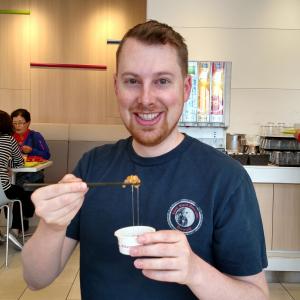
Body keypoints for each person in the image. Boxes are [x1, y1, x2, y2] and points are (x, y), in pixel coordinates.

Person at [22, 20, 269, 299]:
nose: (146, 98)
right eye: (132, 81)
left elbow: (255, 294)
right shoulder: (92, 166)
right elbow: (35, 279)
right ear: (116, 86)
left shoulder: (226, 178)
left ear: (186, 88)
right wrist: (51, 227)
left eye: (162, 81)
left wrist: (195, 271)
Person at [0, 110, 35, 233]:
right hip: (2, 189)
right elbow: (19, 163)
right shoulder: (9, 140)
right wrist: (6, 166)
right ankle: (15, 228)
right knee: (19, 192)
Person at [11, 108, 50, 185]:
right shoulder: (9, 137)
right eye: (14, 123)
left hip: (31, 175)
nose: (17, 126)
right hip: (11, 173)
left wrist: (31, 151)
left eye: (20, 123)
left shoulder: (35, 136)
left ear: (28, 122)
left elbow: (46, 155)